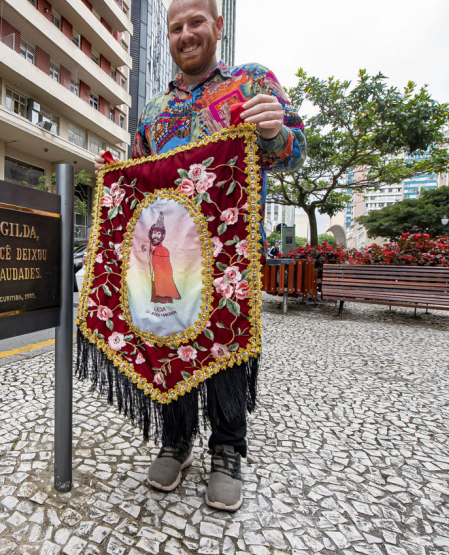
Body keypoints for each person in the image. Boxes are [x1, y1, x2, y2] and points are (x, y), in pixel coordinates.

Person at [94, 0, 306, 511]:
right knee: (170, 341)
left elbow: (295, 153)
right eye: (175, 28)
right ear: (168, 37)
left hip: (231, 258)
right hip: (168, 258)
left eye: (195, 23)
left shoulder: (253, 82)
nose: (185, 34)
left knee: (226, 349)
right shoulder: (152, 112)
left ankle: (228, 450)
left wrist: (276, 131)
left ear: (217, 26)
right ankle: (176, 440)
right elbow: (141, 182)